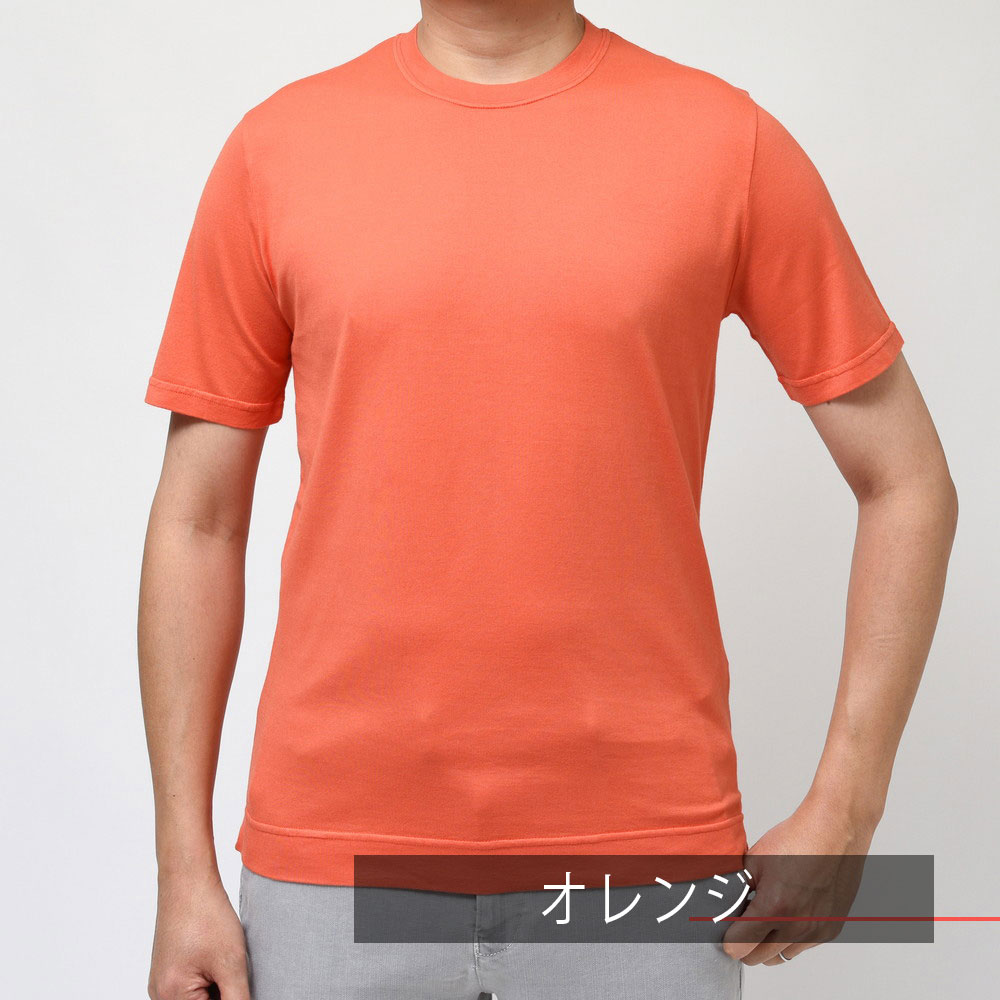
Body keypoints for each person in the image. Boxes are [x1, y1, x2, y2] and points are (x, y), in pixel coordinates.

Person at [138, 3, 958, 998]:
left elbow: (907, 480)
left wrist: (849, 806)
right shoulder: (277, 151)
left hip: (641, 874)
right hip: (332, 865)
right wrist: (182, 870)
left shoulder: (725, 143)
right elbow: (198, 520)